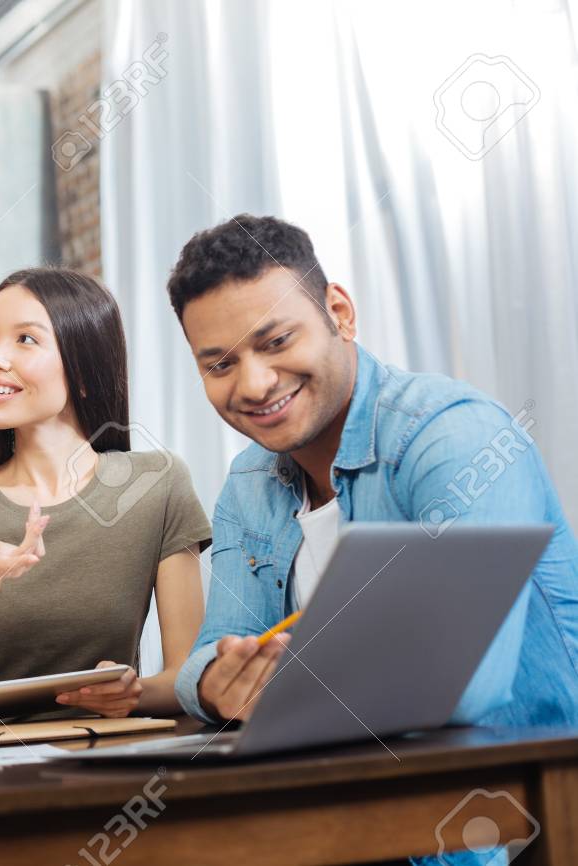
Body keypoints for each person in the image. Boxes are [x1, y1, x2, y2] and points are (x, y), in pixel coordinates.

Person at [167, 213, 578, 735]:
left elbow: (463, 682)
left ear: (338, 313)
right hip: (346, 781)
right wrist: (216, 683)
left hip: (523, 787)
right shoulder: (249, 481)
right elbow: (210, 654)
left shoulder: (457, 438)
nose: (254, 384)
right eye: (221, 364)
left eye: (276, 342)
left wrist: (288, 683)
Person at [0, 267, 210, 719]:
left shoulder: (158, 485)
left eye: (25, 339)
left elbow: (187, 677)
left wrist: (133, 694)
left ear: (84, 371)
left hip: (109, 762)